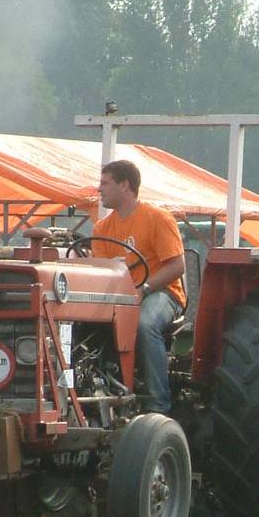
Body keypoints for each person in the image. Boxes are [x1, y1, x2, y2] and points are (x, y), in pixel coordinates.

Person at [91, 160, 186, 414]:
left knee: (145, 323)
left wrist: (143, 288)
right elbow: (102, 270)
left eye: (105, 183)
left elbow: (177, 266)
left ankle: (158, 403)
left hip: (162, 293)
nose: (99, 189)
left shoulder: (157, 218)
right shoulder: (101, 228)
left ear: (125, 185)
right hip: (119, 298)